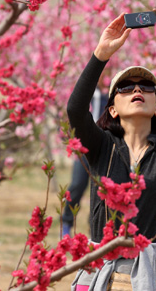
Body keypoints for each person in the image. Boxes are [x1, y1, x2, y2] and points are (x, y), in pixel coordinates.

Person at [67, 13, 156, 290]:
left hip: (155, 274)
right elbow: (75, 110)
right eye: (125, 87)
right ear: (112, 109)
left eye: (146, 87)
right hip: (102, 272)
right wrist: (101, 55)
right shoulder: (101, 148)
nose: (137, 90)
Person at [62, 78, 109, 237]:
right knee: (77, 185)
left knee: (99, 191)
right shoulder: (86, 92)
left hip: (102, 149)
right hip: (83, 149)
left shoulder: (111, 96)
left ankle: (95, 228)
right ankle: (67, 222)